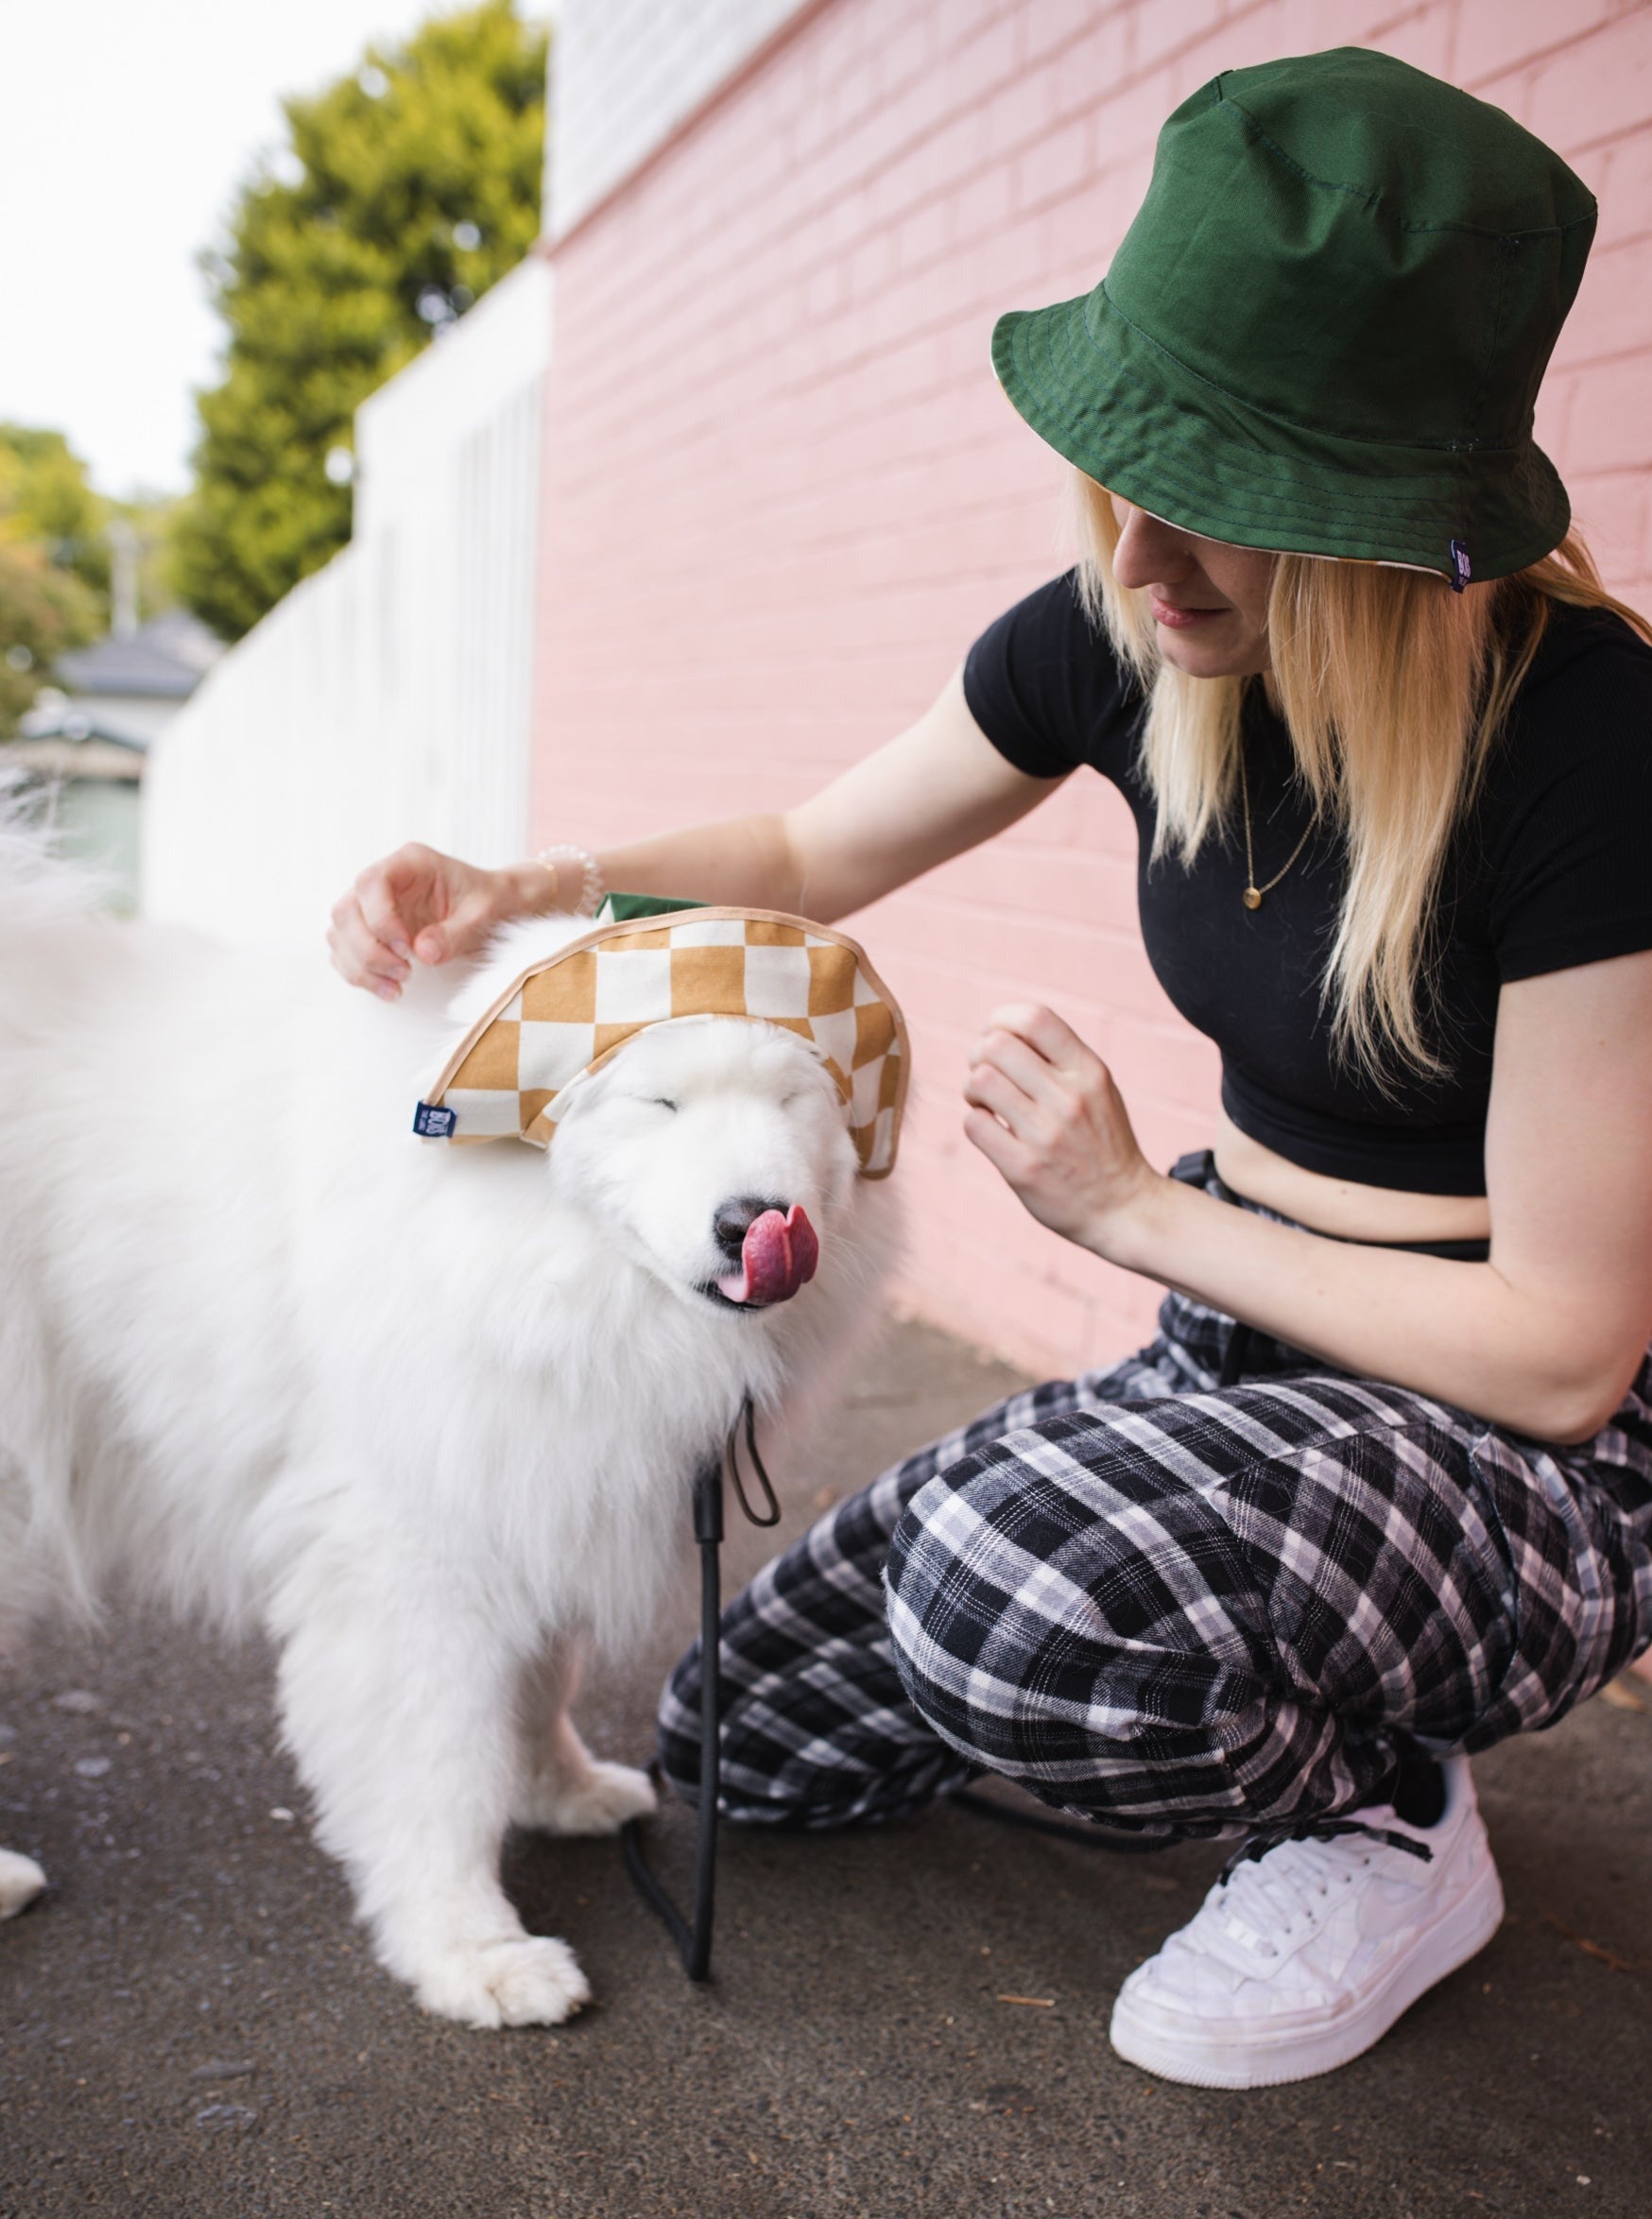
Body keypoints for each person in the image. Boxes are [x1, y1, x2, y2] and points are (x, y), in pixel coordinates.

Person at [328, 50, 1652, 2088]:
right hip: (1249, 1357)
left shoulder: (1589, 749)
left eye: (1223, 511)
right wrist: (535, 879)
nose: (1139, 558)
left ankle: (1378, 1817)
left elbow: (1564, 1348)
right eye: (1127, 475)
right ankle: (1233, 1673)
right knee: (734, 1729)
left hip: (1525, 1462)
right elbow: (804, 854)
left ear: (1395, 520)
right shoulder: (1138, 632)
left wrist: (1125, 1213)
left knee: (1008, 1599)